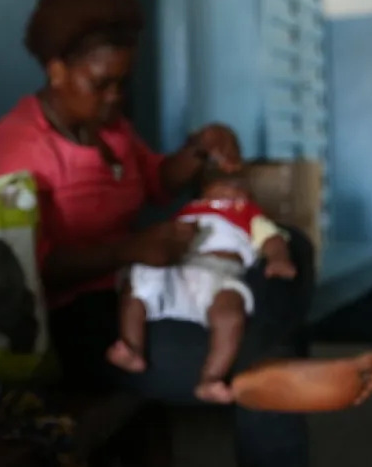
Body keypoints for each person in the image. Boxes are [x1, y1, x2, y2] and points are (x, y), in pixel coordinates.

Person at [0, 0, 372, 467]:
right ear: (56, 70)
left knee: (287, 244)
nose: (115, 98)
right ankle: (276, 369)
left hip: (156, 279)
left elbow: (157, 180)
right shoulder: (15, 147)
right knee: (257, 355)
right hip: (86, 318)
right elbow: (24, 269)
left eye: (122, 82)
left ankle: (270, 365)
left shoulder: (111, 130)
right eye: (102, 84)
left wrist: (201, 147)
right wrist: (128, 249)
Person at [109, 170, 297, 404]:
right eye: (222, 184)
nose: (230, 190)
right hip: (178, 270)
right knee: (139, 278)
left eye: (239, 187)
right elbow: (164, 241)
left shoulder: (249, 215)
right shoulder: (188, 212)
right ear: (202, 193)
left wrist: (279, 258)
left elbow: (273, 240)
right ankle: (131, 347)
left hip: (220, 274)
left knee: (230, 314)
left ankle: (210, 378)